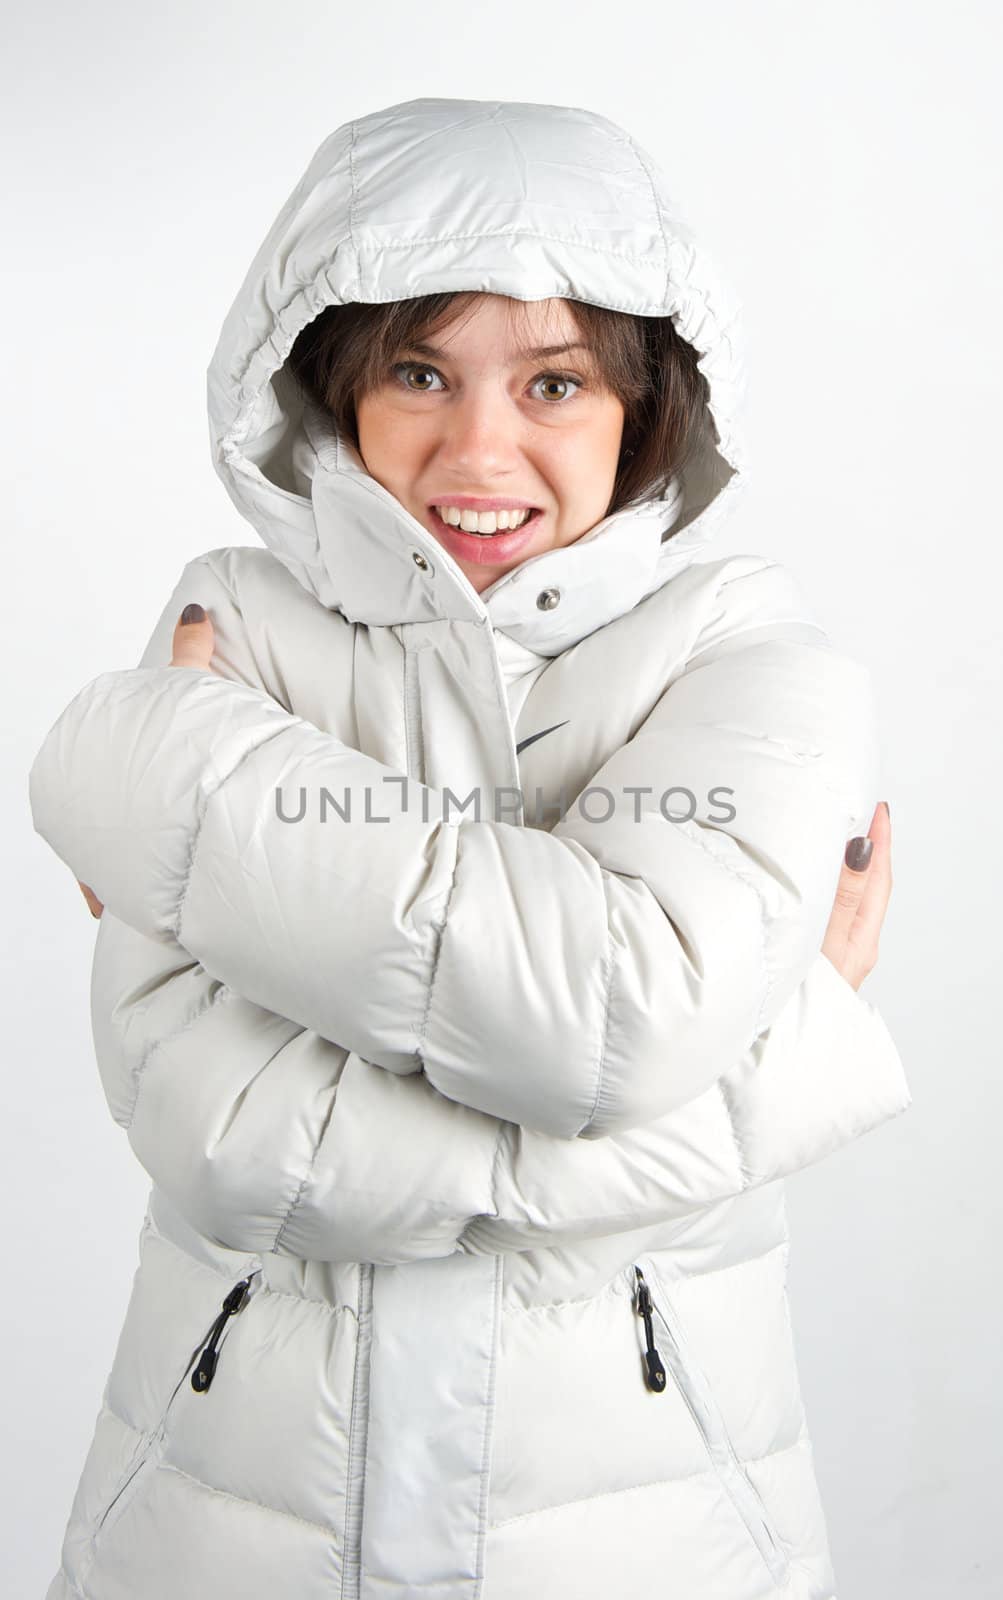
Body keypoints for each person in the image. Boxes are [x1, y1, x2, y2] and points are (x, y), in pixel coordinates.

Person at [28, 97, 909, 1600]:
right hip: (217, 1530)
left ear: (648, 406)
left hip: (648, 1539)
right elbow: (214, 1123)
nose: (476, 446)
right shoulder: (230, 621)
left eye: (555, 382)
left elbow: (609, 1016)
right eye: (420, 371)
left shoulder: (751, 658)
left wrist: (188, 794)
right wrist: (767, 1081)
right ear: (328, 389)